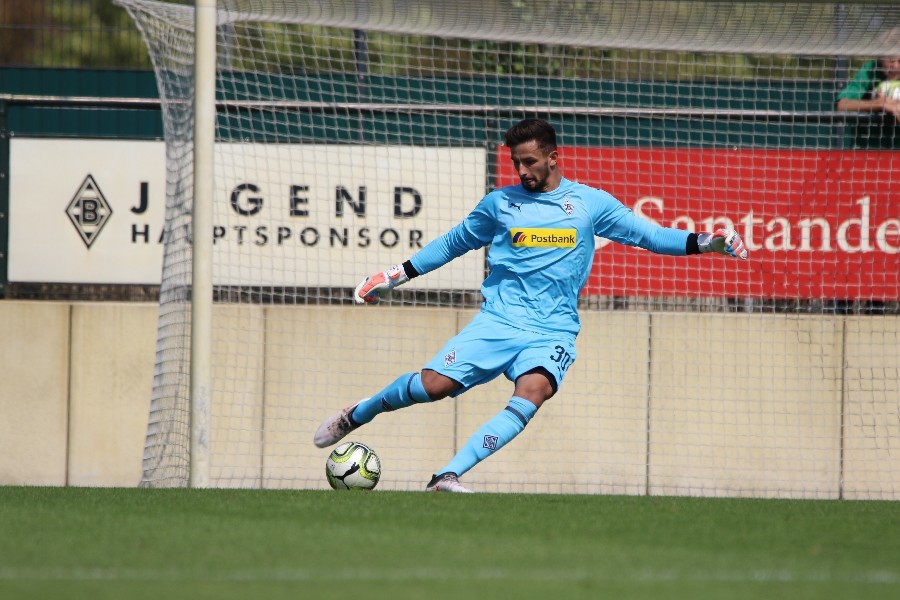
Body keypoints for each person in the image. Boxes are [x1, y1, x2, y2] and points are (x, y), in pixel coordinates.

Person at [314, 118, 748, 493]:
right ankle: (359, 413)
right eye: (515, 163)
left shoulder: (589, 203)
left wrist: (707, 242)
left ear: (553, 157)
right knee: (433, 387)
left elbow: (650, 236)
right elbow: (453, 244)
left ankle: (446, 475)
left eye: (530, 162)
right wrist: (395, 275)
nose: (522, 171)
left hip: (553, 329)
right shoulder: (500, 204)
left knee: (533, 392)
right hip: (500, 320)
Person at [836, 28, 900, 149]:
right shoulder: (869, 71)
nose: (895, 66)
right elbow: (842, 104)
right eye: (890, 60)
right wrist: (880, 104)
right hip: (867, 150)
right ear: (880, 58)